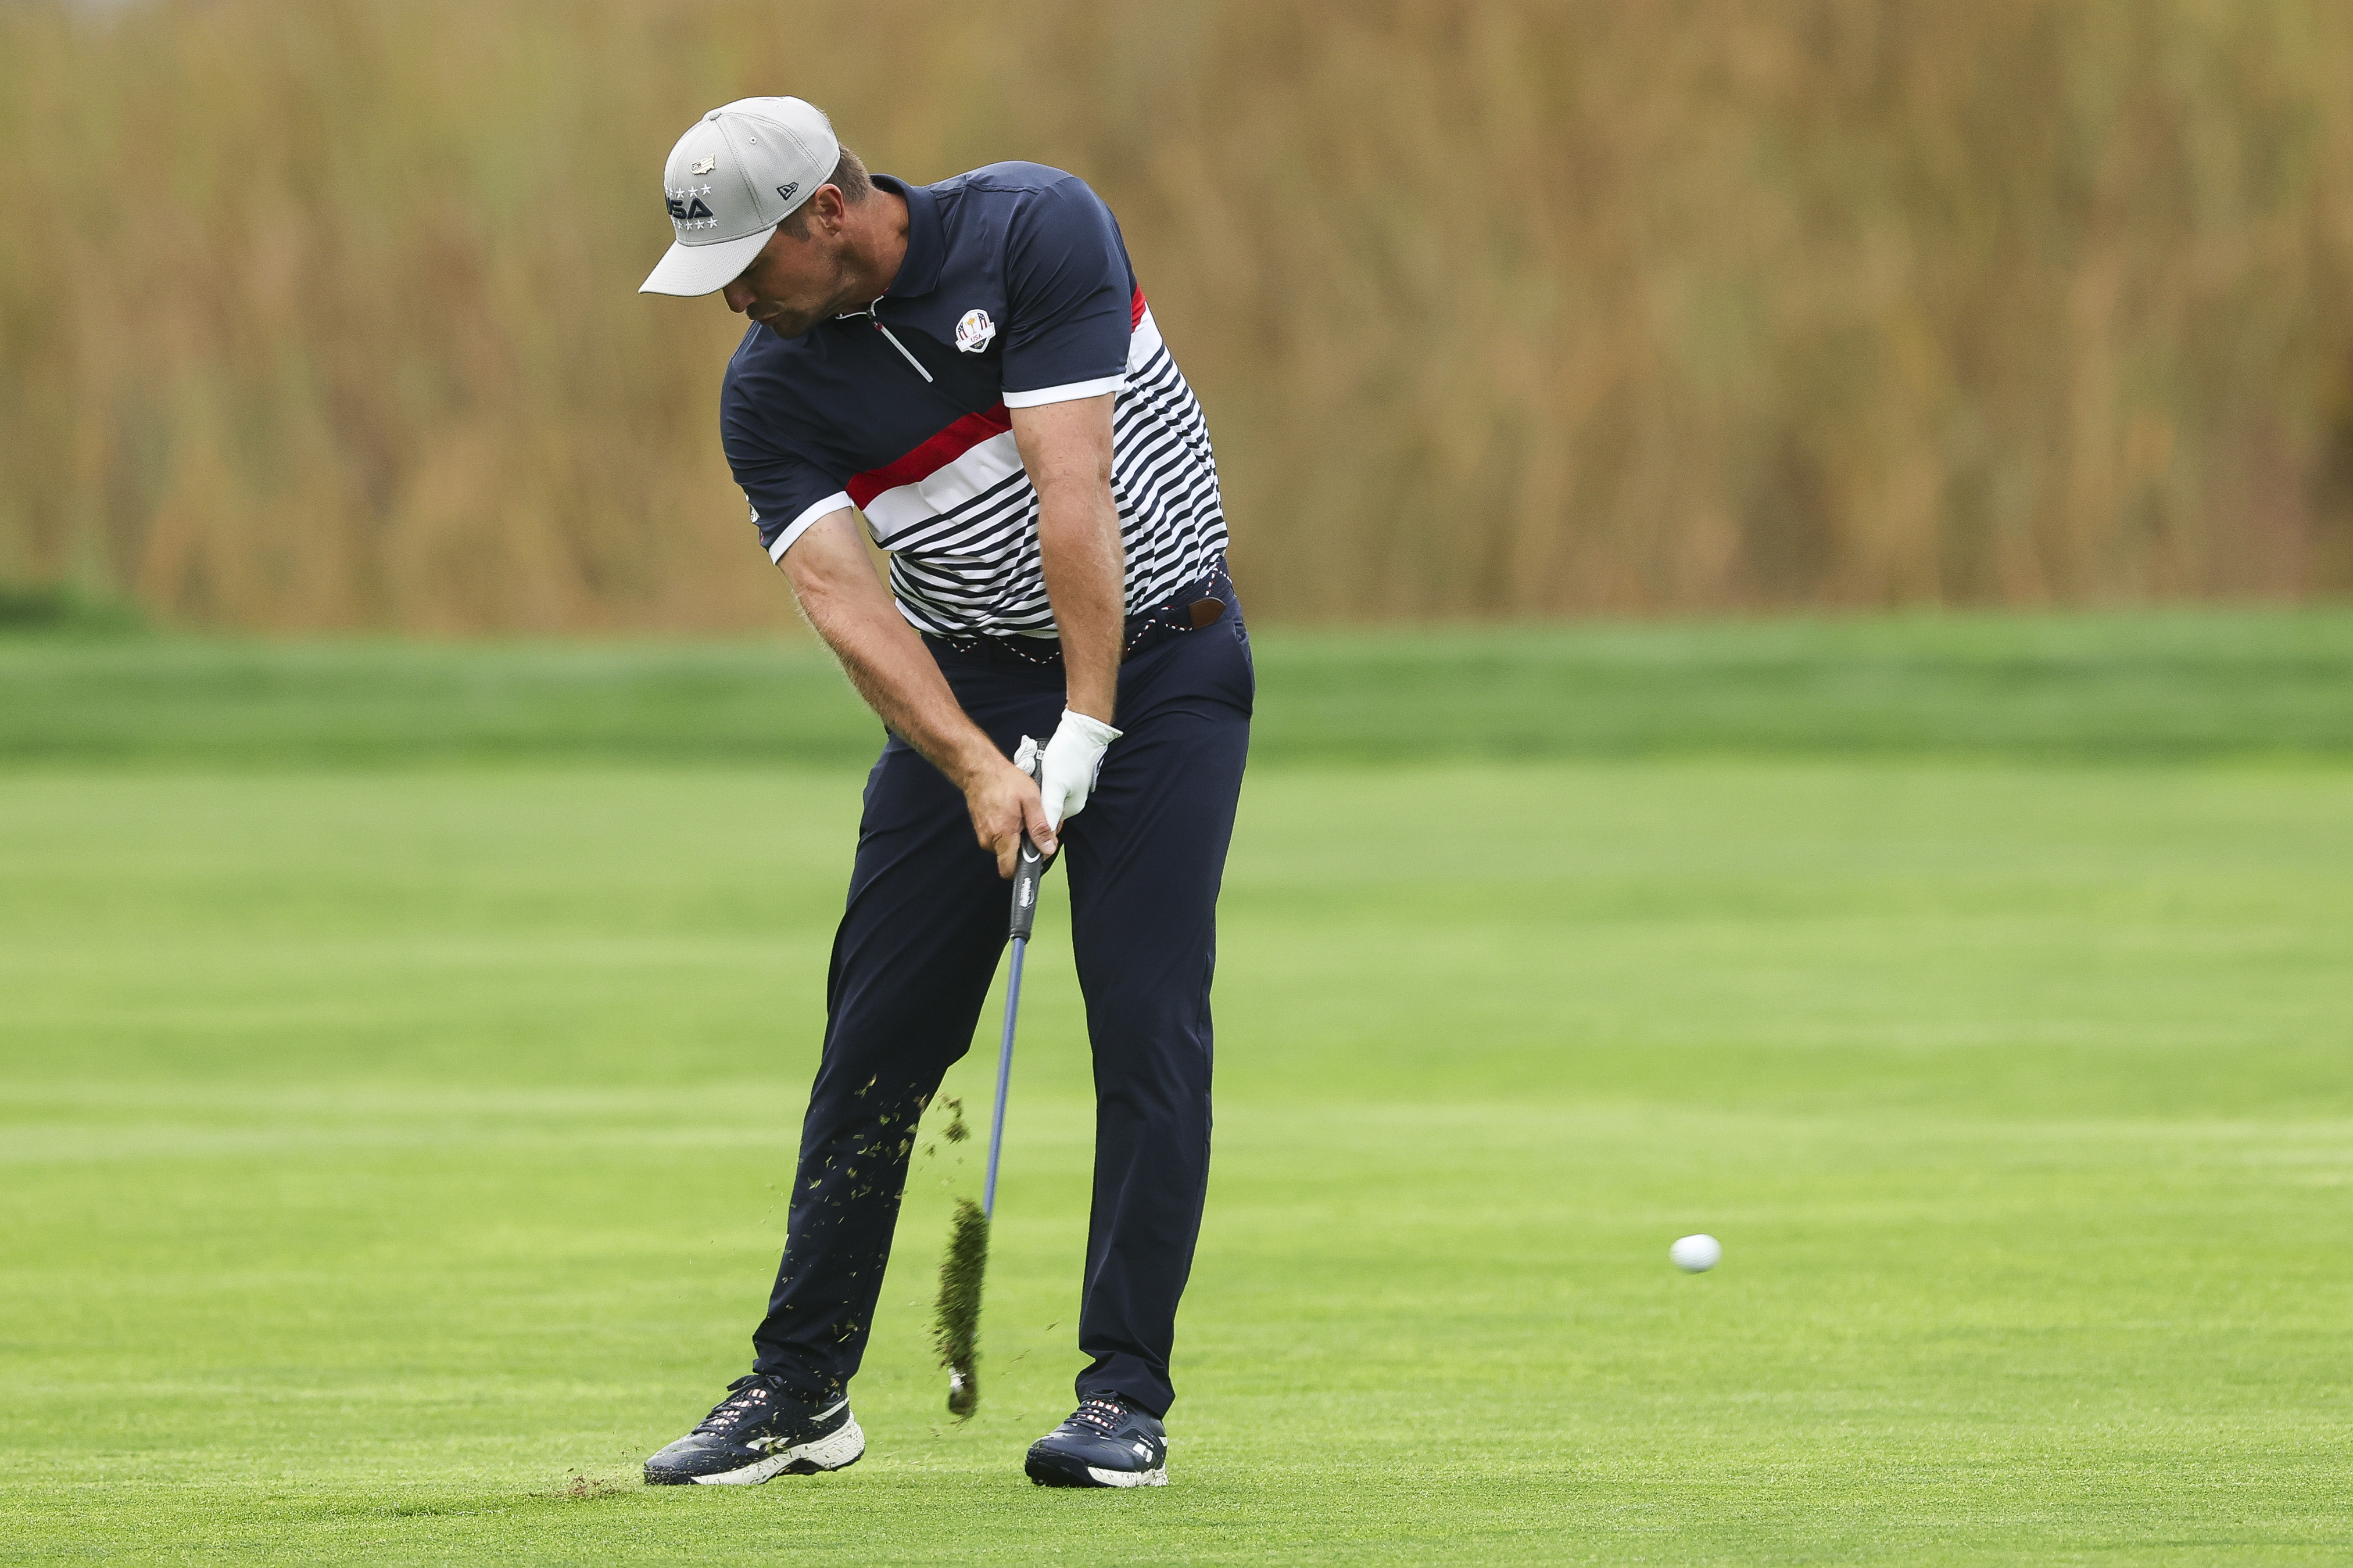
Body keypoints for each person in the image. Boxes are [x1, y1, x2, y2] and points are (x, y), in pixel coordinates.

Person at [633, 97, 1249, 1490]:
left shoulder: (1035, 227)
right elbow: (845, 604)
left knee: (1147, 1025)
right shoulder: (768, 390)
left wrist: (1089, 727)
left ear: (829, 214)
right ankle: (799, 1390)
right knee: (879, 1036)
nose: (730, 297)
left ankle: (1120, 1401)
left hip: (1168, 665)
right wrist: (976, 761)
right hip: (968, 681)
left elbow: (1070, 492)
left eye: (745, 263)